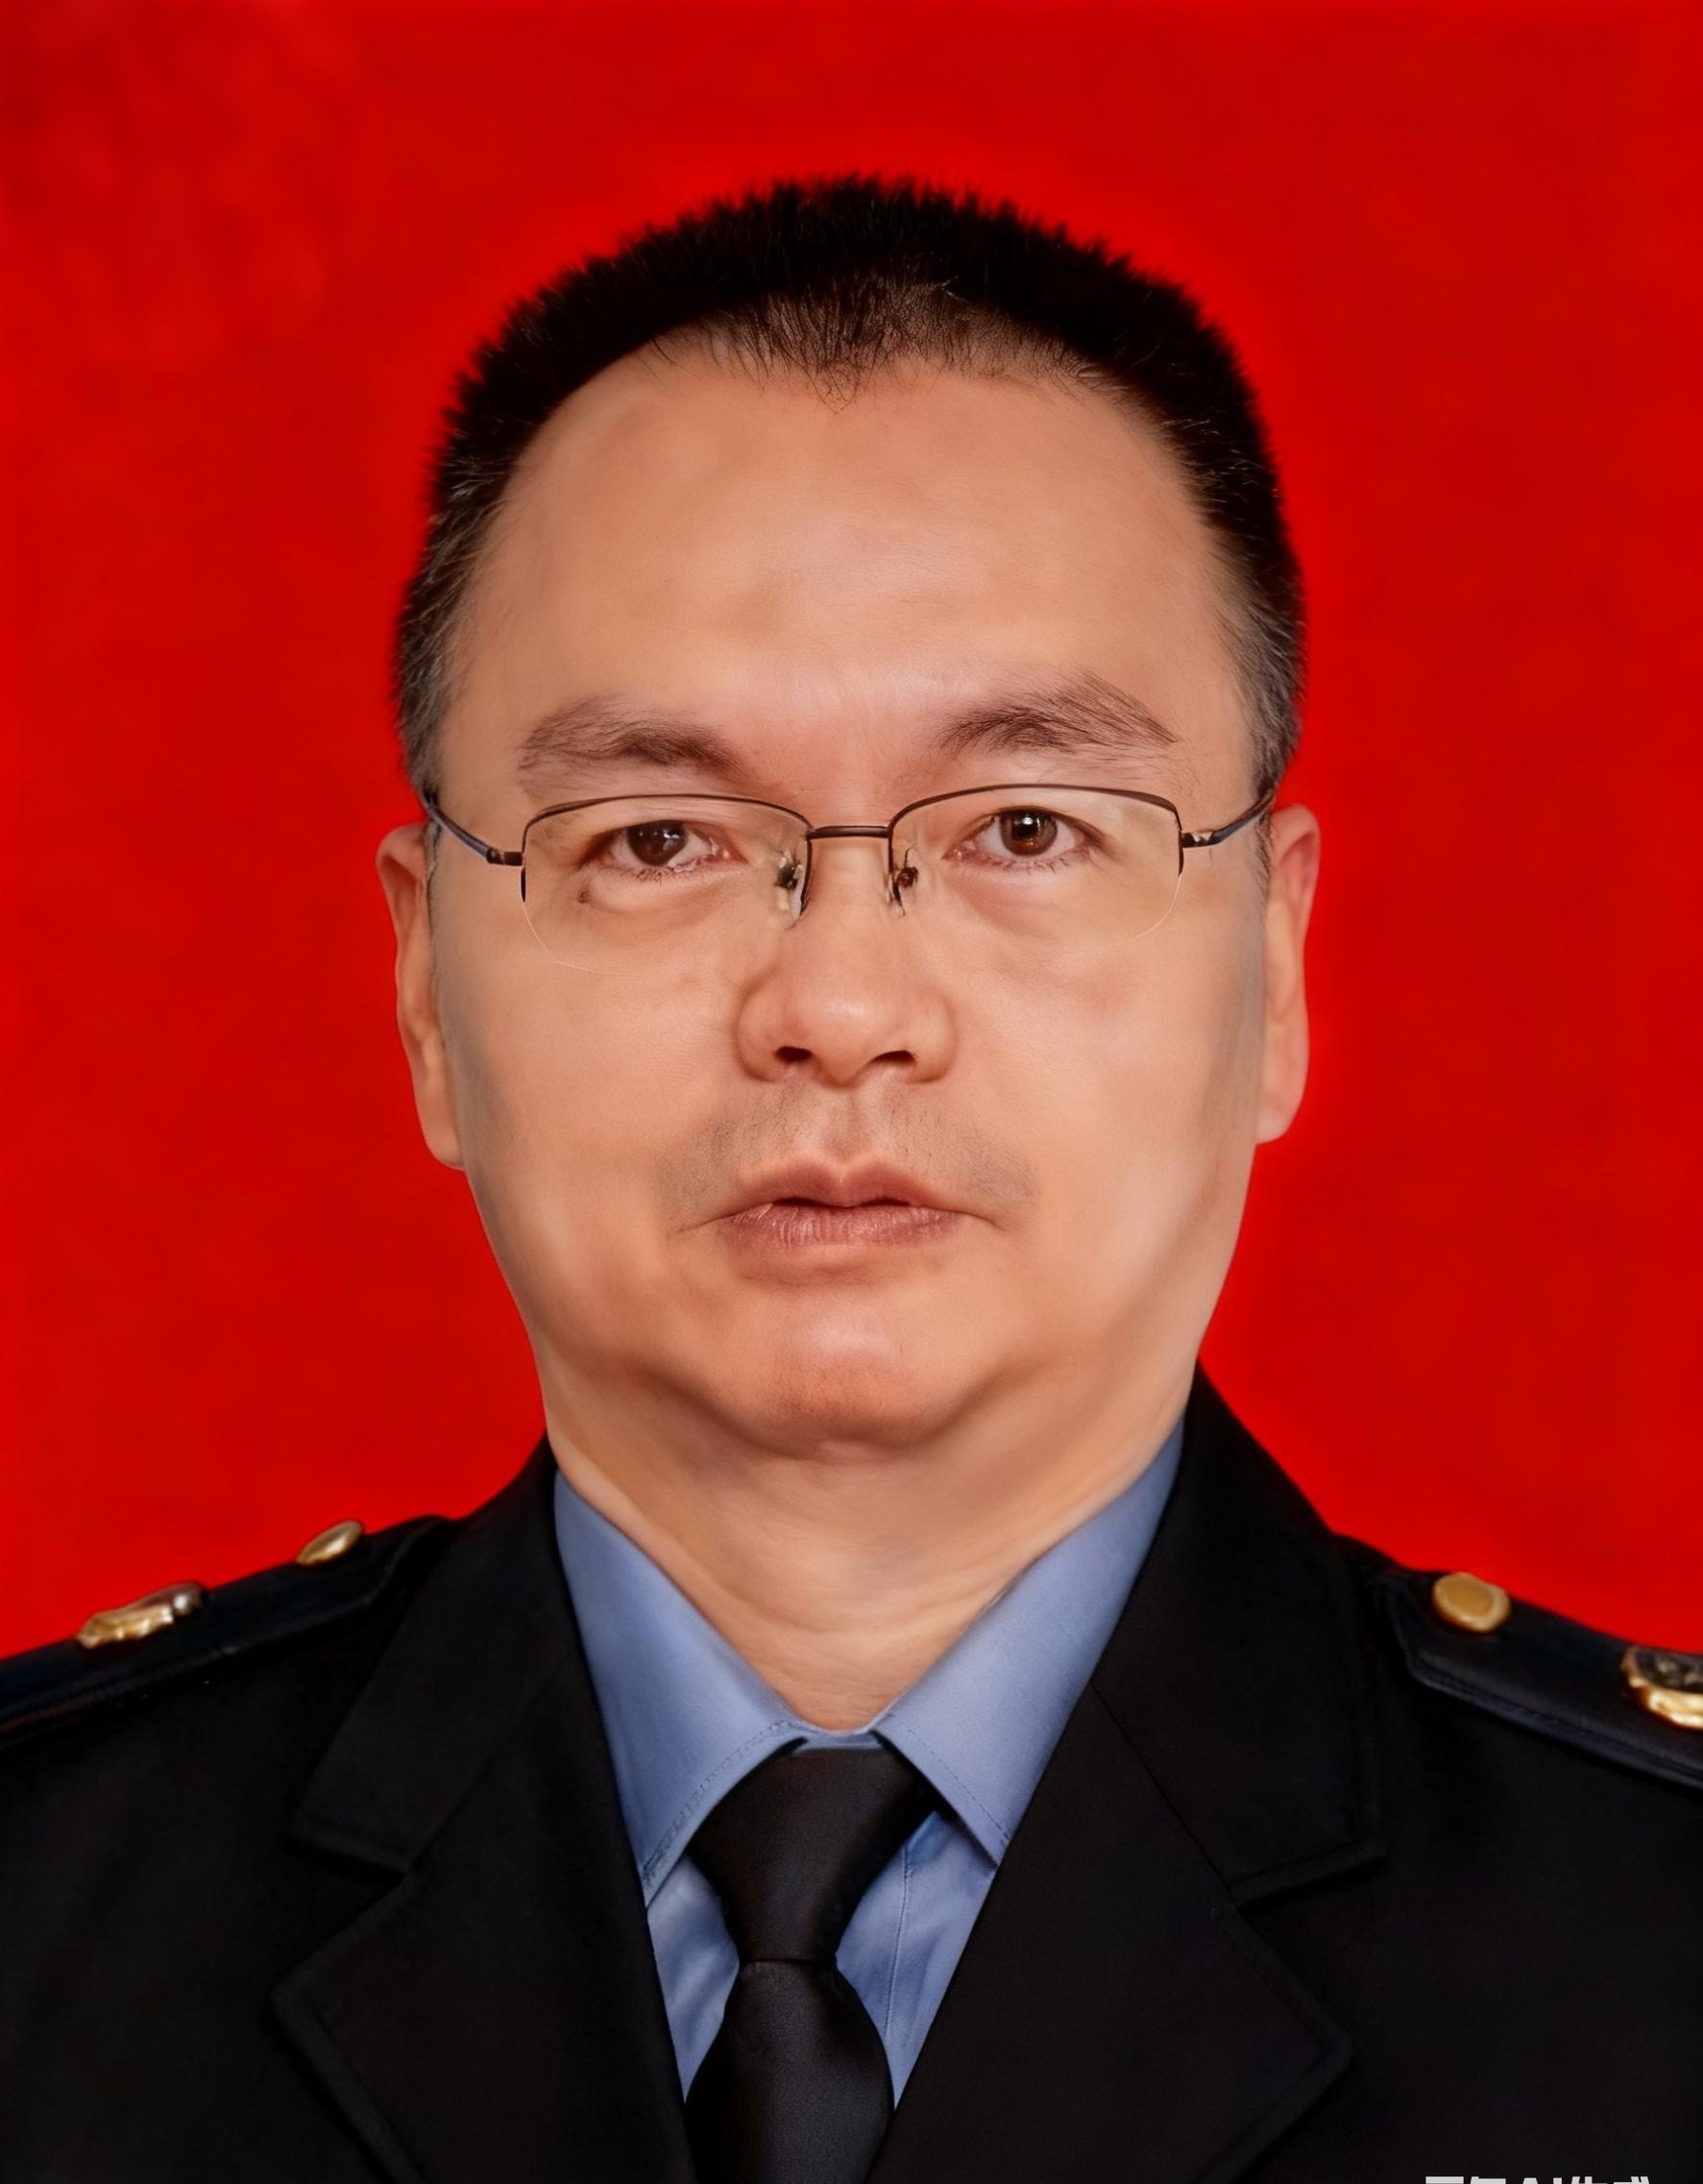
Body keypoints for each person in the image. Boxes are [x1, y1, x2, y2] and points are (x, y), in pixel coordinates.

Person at [1, 174, 1698, 2184]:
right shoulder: (46, 1905)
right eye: (654, 840)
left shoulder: (1654, 1927)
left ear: (1268, 967)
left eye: (1026, 828)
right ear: (426, 989)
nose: (836, 1005)